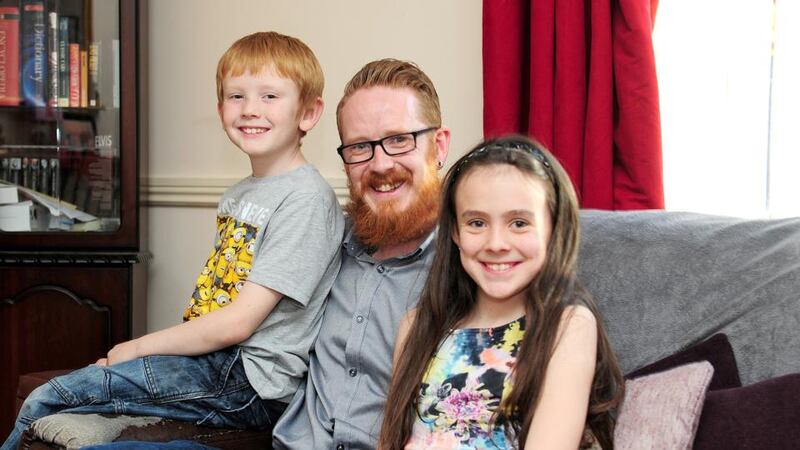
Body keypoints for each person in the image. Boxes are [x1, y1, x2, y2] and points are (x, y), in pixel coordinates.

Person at [2, 31, 344, 450]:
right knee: (87, 387)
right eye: (236, 96)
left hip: (250, 381)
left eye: (270, 96)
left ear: (308, 112)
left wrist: (137, 347)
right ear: (220, 109)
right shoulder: (240, 193)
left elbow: (239, 321)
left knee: (50, 396)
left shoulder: (306, 199)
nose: (250, 109)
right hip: (215, 364)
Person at [379, 136, 624, 449]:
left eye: (519, 223)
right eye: (477, 222)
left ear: (553, 227)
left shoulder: (568, 325)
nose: (496, 243)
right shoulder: (417, 327)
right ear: (454, 231)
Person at [272, 58, 451, 449]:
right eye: (360, 147)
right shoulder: (321, 241)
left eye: (400, 139)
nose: (381, 164)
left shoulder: (471, 264)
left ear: (439, 146)